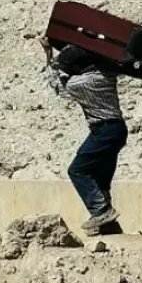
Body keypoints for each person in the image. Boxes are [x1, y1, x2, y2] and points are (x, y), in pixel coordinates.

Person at [41, 37, 126, 235]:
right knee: (100, 178)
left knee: (77, 170)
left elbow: (56, 85)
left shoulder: (80, 84)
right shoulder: (106, 74)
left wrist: (49, 54)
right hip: (118, 129)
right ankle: (108, 227)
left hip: (103, 131)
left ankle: (102, 211)